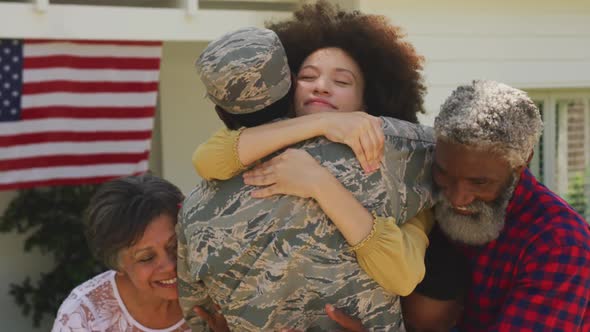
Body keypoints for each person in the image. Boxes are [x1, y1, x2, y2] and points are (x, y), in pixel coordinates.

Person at [177, 6, 435, 332]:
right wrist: (327, 121)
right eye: (308, 77)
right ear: (288, 86)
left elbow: (404, 275)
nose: (321, 86)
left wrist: (319, 182)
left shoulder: (393, 158)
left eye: (341, 80)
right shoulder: (240, 155)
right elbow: (206, 158)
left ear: (368, 106)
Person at [322, 80, 590, 331]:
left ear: (521, 165)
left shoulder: (561, 244)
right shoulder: (419, 189)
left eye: (480, 183)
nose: (457, 197)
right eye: (444, 173)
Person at [52, 175, 188, 332]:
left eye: (176, 245)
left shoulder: (215, 289)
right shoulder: (84, 315)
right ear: (117, 264)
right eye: (146, 258)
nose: (170, 265)